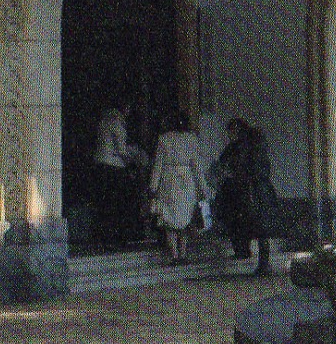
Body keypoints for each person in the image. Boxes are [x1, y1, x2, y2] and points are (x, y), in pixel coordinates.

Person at [212, 116, 279, 276]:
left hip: (245, 190)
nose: (229, 135)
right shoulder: (256, 146)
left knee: (240, 221)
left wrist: (231, 175)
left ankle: (244, 251)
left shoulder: (239, 147)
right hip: (259, 191)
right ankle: (261, 261)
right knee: (260, 227)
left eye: (230, 132)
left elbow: (227, 164)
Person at [149, 112, 208, 263]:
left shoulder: (164, 139)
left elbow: (158, 165)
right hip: (186, 180)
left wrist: (153, 187)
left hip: (169, 180)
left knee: (169, 218)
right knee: (184, 217)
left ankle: (175, 254)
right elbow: (197, 166)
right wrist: (203, 188)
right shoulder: (191, 139)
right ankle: (183, 253)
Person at [92, 103, 147, 248]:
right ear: (125, 109)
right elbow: (121, 150)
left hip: (100, 164)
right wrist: (134, 159)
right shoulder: (117, 122)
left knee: (104, 203)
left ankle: (101, 237)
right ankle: (116, 238)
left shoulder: (104, 120)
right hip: (113, 167)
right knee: (116, 203)